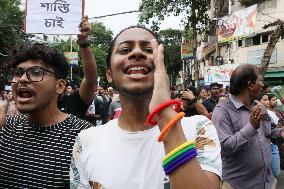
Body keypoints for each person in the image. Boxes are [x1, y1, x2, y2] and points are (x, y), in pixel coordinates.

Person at [70, 26, 221, 189]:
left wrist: (164, 115)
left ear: (161, 67)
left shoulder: (199, 129)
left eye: (149, 49)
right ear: (109, 73)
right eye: (124, 49)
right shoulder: (86, 141)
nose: (137, 53)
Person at [0, 22, 94, 188]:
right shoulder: (5, 129)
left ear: (60, 86)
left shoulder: (85, 137)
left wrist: (84, 43)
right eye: (17, 73)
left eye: (36, 72)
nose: (22, 79)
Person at [212, 64, 284, 189]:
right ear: (250, 85)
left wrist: (280, 132)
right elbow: (224, 148)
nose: (263, 85)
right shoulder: (221, 111)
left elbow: (269, 132)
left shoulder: (259, 106)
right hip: (238, 185)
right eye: (260, 80)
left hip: (267, 183)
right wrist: (251, 127)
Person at [57, 15, 97, 120]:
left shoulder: (73, 102)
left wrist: (83, 42)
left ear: (61, 85)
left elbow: (90, 79)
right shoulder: (35, 105)